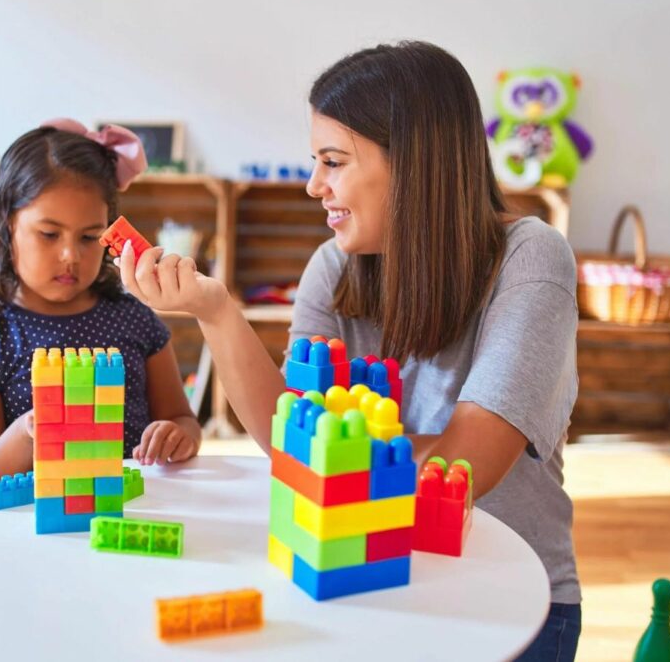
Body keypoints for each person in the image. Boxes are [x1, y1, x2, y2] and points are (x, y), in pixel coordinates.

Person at [117, 41, 581, 660]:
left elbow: (457, 473)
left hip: (507, 603)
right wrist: (216, 312)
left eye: (333, 161)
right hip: (364, 585)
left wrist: (335, 452)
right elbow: (295, 442)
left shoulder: (532, 257)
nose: (314, 186)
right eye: (315, 161)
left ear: (416, 164)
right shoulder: (335, 266)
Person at [0, 119, 201, 498]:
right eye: (49, 234)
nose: (70, 256)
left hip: (133, 514)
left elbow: (183, 421)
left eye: (89, 237)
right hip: (37, 530)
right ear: (6, 224)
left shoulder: (135, 320)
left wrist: (178, 436)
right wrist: (29, 432)